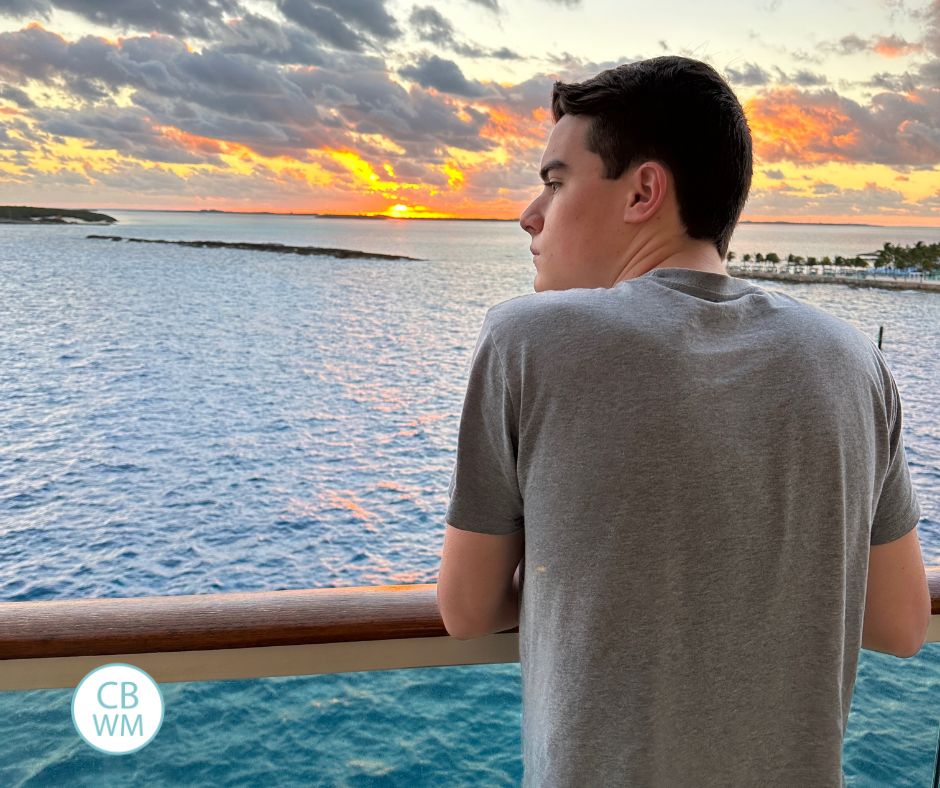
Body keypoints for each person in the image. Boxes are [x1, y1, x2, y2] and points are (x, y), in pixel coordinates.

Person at [435, 55, 930, 787]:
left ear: (643, 190)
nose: (528, 214)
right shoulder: (853, 360)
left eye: (555, 180)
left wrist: (600, 572)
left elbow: (468, 608)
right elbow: (901, 623)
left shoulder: (525, 341)